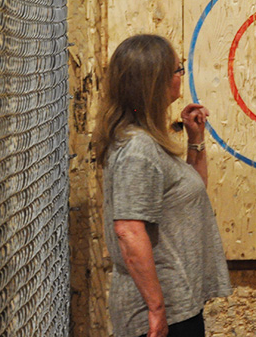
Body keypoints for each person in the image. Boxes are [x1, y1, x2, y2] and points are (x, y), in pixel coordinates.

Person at [95, 34, 231, 337]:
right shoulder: (138, 148)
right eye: (177, 69)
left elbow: (189, 195)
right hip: (158, 316)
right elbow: (128, 230)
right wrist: (157, 310)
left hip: (175, 305)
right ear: (155, 81)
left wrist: (195, 140)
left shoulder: (144, 138)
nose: (181, 75)